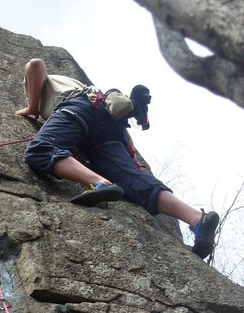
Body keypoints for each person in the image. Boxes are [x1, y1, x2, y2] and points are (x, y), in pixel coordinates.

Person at [16, 58, 219, 260]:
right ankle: (197, 219)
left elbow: (35, 65)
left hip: (76, 109)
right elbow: (125, 140)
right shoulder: (83, 86)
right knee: (131, 179)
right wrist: (131, 153)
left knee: (39, 150)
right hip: (110, 124)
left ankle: (99, 183)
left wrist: (32, 107)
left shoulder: (49, 83)